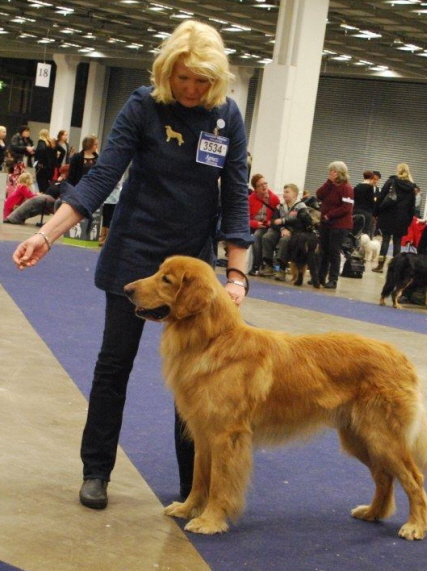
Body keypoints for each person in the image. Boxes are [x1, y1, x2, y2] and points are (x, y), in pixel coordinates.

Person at [12, 20, 252, 510]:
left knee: (199, 376)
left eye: (202, 81)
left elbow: (236, 197)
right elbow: (102, 176)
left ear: (217, 81)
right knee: (113, 365)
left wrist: (236, 274)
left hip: (192, 271)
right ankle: (96, 471)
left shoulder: (227, 116)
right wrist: (45, 235)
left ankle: (195, 487)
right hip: (136, 256)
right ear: (168, 71)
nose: (191, 89)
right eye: (183, 78)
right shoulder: (144, 105)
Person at [315, 161, 354, 289]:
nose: (331, 173)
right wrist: (328, 182)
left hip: (339, 225)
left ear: (339, 173)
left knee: (334, 251)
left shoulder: (347, 188)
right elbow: (319, 195)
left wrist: (329, 215)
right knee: (323, 250)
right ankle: (320, 277)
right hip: (326, 224)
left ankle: (333, 279)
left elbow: (346, 208)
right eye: (330, 171)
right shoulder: (330, 185)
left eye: (333, 171)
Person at [372, 163, 416, 273]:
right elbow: (412, 206)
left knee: (385, 241)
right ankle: (396, 267)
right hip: (402, 218)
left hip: (387, 216)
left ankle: (380, 265)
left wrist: (375, 213)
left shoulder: (391, 182)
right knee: (397, 242)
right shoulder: (411, 187)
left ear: (398, 171)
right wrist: (409, 220)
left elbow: (381, 197)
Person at [259, 182, 306, 281]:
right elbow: (274, 221)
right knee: (267, 237)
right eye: (284, 192)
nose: (284, 194)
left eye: (287, 192)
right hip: (280, 230)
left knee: (284, 240)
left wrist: (287, 228)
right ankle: (268, 265)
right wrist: (282, 229)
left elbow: (301, 222)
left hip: (294, 232)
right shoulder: (280, 206)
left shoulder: (301, 207)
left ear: (294, 194)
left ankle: (281, 269)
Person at [3, 165, 69, 225]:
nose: (61, 174)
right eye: (61, 173)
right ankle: (21, 217)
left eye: (63, 173)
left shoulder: (66, 183)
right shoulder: (58, 181)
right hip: (47, 197)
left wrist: (61, 182)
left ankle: (14, 218)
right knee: (37, 208)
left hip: (53, 198)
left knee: (33, 200)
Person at [248, 173, 280, 275]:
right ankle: (256, 265)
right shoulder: (250, 199)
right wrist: (255, 224)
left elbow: (279, 215)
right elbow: (244, 218)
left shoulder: (274, 199)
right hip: (253, 225)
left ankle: (258, 265)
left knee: (258, 235)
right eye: (261, 185)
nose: (264, 186)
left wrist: (270, 222)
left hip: (268, 226)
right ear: (255, 188)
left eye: (265, 183)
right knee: (256, 234)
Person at [34, 129, 57, 193]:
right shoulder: (50, 143)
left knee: (41, 184)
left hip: (42, 167)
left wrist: (40, 162)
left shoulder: (41, 142)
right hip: (49, 167)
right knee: (46, 184)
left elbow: (41, 151)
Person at [353, 170, 375, 237]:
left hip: (356, 210)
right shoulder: (370, 187)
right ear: (371, 177)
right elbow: (371, 201)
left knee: (356, 230)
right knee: (365, 232)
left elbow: (354, 198)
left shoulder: (357, 186)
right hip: (367, 211)